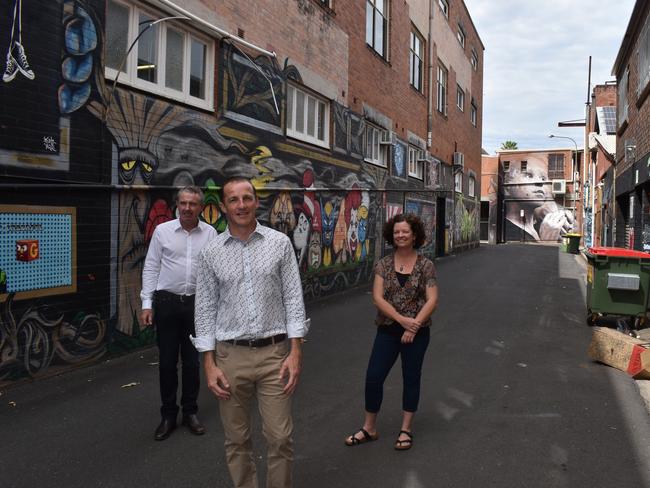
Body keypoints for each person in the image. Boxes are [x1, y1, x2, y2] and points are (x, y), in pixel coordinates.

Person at [193, 177, 309, 488]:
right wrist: (209, 362)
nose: (241, 205)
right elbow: (204, 308)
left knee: (280, 436)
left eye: (247, 198)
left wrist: (295, 351)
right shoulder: (211, 252)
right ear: (223, 207)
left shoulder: (279, 244)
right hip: (230, 357)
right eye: (234, 199)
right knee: (236, 439)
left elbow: (293, 298)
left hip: (275, 355)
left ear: (257, 202)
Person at [344, 213, 438, 451]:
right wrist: (401, 321)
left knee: (411, 378)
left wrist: (413, 325)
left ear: (414, 234)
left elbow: (432, 300)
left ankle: (406, 429)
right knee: (374, 377)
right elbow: (377, 298)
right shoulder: (383, 264)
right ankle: (370, 428)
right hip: (387, 329)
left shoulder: (426, 265)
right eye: (397, 232)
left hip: (417, 332)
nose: (401, 235)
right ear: (391, 235)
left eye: (405, 231)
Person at [140, 186, 217, 441]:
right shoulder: (163, 231)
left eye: (192, 204)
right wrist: (147, 304)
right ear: (177, 205)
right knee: (166, 363)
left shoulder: (210, 233)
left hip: (197, 304)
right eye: (183, 203)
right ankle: (168, 416)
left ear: (201, 207)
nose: (187, 208)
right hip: (167, 303)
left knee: (193, 362)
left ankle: (190, 412)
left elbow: (216, 272)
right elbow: (151, 267)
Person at [504, 158, 574, 241]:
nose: (540, 182)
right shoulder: (508, 231)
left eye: (543, 178)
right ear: (507, 186)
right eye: (529, 175)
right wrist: (547, 242)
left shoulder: (542, 226)